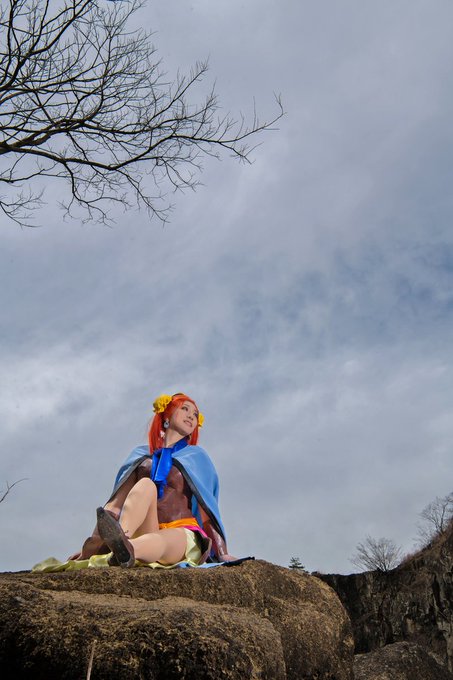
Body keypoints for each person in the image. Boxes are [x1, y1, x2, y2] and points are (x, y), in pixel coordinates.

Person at [69, 392, 236, 568]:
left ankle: (125, 550)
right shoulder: (141, 455)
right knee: (145, 484)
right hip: (146, 528)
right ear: (167, 414)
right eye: (185, 409)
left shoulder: (197, 457)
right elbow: (113, 507)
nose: (191, 416)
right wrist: (91, 549)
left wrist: (222, 552)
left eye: (195, 414)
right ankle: (121, 540)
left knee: (161, 541)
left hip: (181, 533)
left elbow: (207, 511)